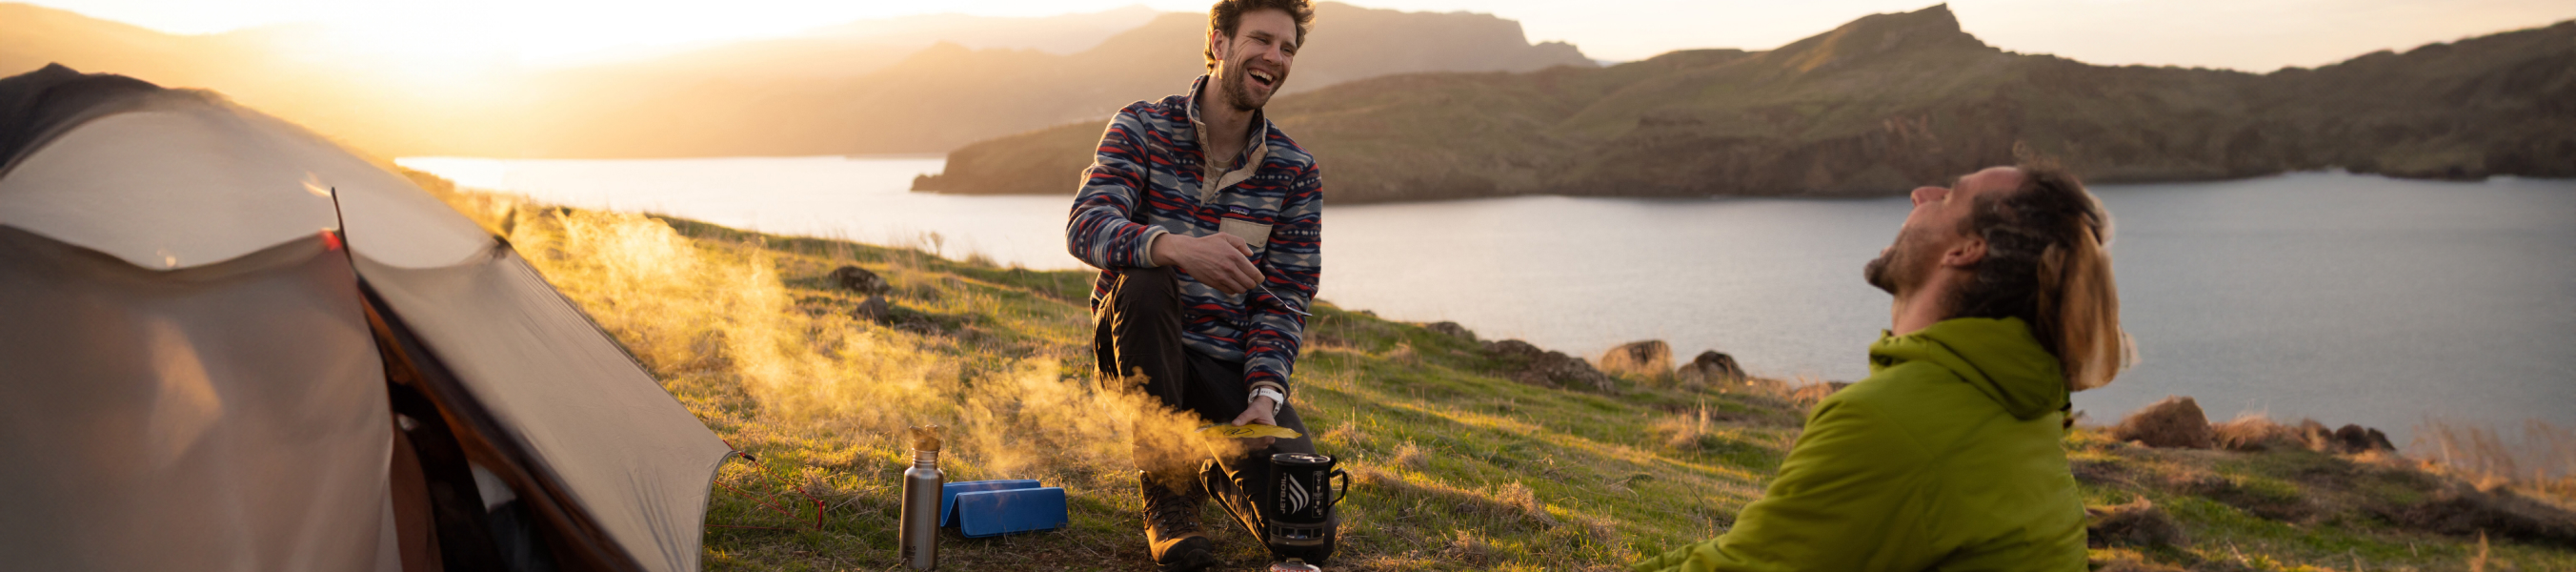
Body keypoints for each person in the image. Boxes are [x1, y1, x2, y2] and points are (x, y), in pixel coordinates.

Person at [1634, 162, 2136, 572]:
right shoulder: (2020, 406)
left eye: (1948, 197)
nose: (1921, 193)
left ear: (1965, 251)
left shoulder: (1893, 422)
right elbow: (1757, 551)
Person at [1062, 1, 1327, 570]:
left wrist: (1264, 395)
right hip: (1138, 343)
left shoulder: (1295, 170)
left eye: (1287, 48)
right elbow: (1085, 225)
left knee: (1310, 526)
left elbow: (1286, 299)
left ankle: (1207, 467)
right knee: (1146, 280)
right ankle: (1166, 486)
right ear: (1220, 41)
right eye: (1261, 40)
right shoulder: (1141, 126)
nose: (1274, 59)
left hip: (1226, 365)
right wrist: (1175, 247)